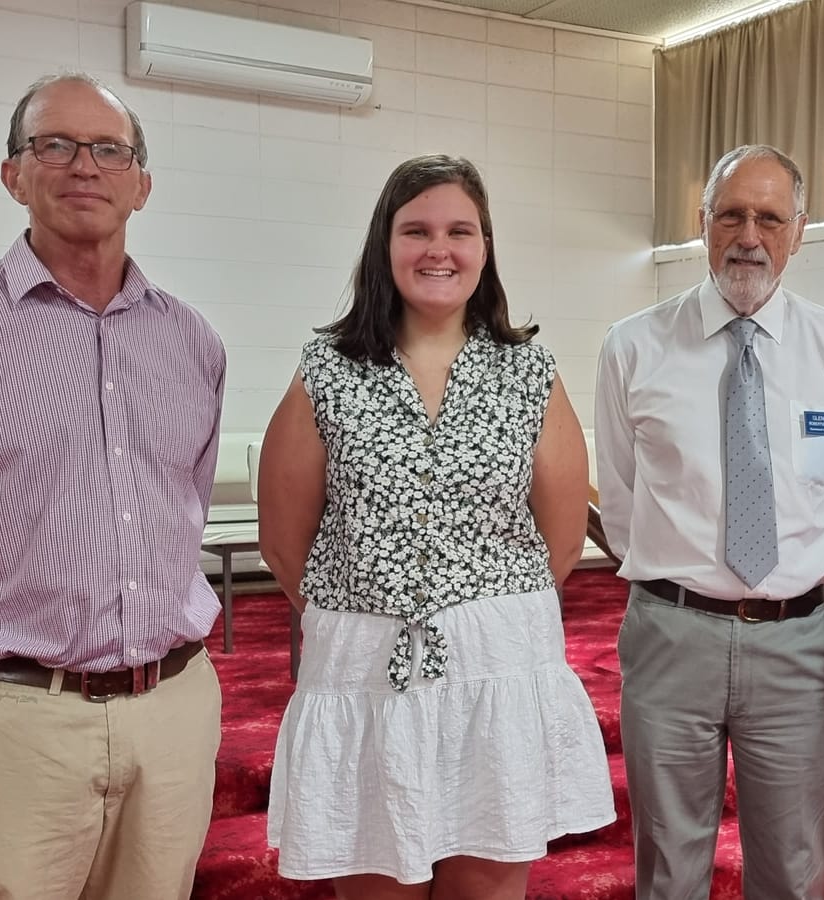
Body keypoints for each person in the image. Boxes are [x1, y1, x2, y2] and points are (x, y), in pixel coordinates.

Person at [0, 73, 226, 900]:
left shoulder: (191, 342)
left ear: (142, 184)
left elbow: (182, 508)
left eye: (108, 150)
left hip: (172, 709)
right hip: (14, 720)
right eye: (53, 144)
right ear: (13, 174)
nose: (83, 166)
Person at [257, 154, 615, 900]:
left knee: (486, 889)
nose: (438, 249)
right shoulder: (327, 368)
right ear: (384, 246)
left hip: (496, 670)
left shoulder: (527, 369)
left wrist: (473, 600)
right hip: (363, 673)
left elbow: (560, 536)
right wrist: (377, 602)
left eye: (460, 231)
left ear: (485, 248)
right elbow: (285, 541)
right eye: (415, 229)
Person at [594, 144, 824, 900]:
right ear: (702, 223)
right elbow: (619, 496)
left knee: (794, 865)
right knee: (669, 866)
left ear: (800, 231)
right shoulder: (634, 345)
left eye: (771, 217)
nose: (750, 235)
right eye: (732, 214)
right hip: (672, 635)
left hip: (794, 642)